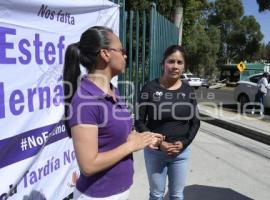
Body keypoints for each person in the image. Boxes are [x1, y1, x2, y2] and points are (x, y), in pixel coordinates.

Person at [63, 26, 163, 200]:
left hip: (120, 191)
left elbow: (119, 135)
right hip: (98, 195)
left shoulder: (112, 91)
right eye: (122, 50)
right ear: (105, 54)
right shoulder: (85, 101)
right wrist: (131, 146)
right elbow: (88, 165)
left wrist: (144, 138)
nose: (125, 56)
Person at [135, 45, 201, 200]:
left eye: (179, 62)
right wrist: (158, 143)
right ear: (163, 63)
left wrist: (184, 143)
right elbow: (139, 121)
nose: (175, 66)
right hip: (155, 153)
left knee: (177, 195)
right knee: (157, 195)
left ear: (184, 66)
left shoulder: (187, 90)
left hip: (181, 154)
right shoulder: (150, 88)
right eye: (171, 61)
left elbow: (195, 122)